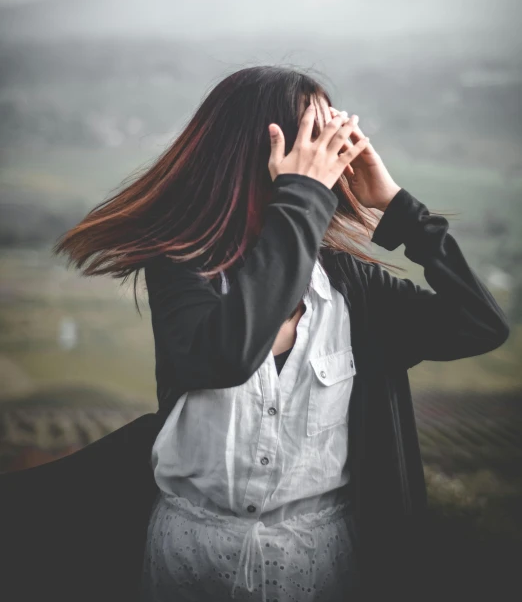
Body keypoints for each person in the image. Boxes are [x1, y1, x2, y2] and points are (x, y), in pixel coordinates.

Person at [0, 66, 510, 602]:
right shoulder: (182, 269)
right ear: (261, 151)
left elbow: (480, 323)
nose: (329, 150)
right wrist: (301, 196)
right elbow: (227, 355)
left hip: (328, 568)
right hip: (188, 565)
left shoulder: (350, 286)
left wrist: (397, 206)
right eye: (313, 137)